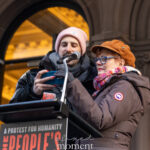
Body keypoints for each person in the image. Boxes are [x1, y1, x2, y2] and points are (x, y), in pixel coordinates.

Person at [55, 39, 150, 150]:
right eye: (98, 59)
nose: (98, 63)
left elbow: (100, 120)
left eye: (104, 59)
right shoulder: (106, 87)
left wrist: (73, 85)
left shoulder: (126, 86)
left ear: (121, 62)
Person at [10, 27, 96, 103]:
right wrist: (32, 93)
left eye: (74, 45)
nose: (68, 49)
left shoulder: (94, 79)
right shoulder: (32, 76)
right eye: (64, 45)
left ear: (81, 52)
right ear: (58, 49)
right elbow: (12, 110)